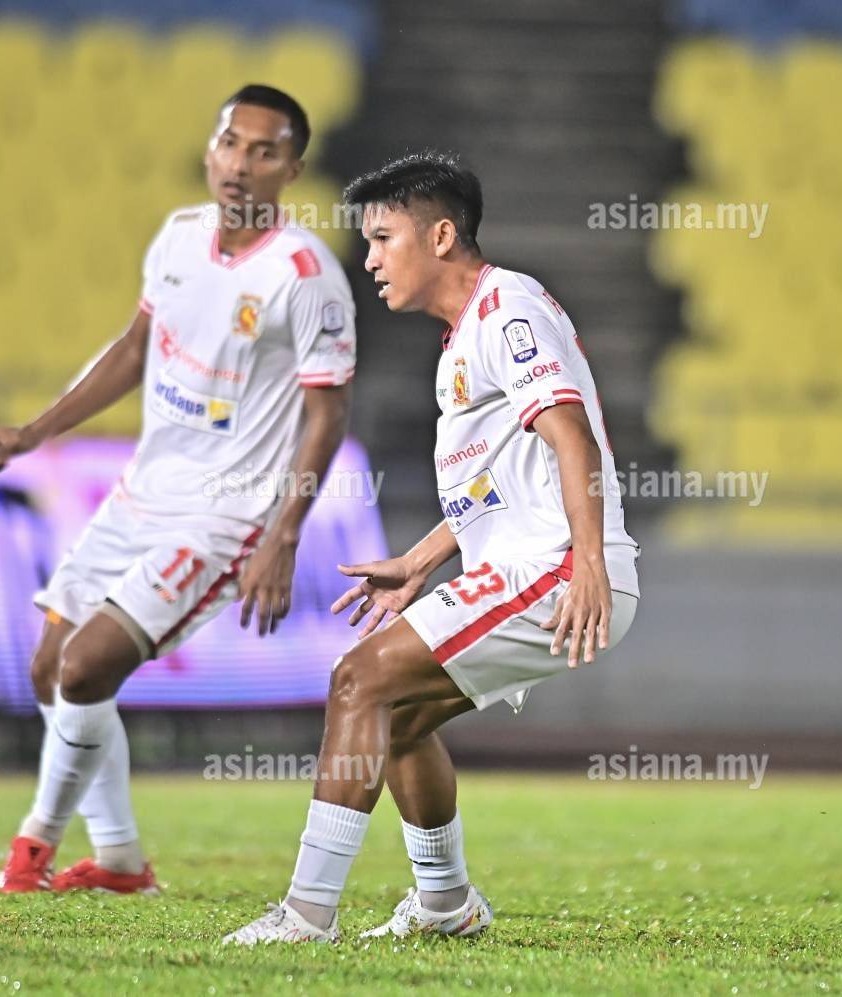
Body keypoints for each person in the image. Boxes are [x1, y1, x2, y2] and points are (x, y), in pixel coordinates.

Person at [224, 152, 641, 944]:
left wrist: (587, 562)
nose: (370, 259)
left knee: (358, 679)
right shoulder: (463, 337)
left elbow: (573, 438)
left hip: (558, 565)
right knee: (399, 715)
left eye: (383, 238)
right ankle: (447, 902)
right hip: (537, 561)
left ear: (441, 236)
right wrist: (421, 558)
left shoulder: (508, 309)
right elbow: (503, 481)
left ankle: (307, 913)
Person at [0, 85, 357, 895]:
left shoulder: (306, 276)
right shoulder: (180, 235)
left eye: (264, 151)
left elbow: (327, 417)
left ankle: (33, 843)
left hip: (226, 515)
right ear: (211, 150)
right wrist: (34, 433)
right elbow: (132, 349)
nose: (241, 163)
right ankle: (120, 861)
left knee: (85, 668)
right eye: (231, 143)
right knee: (50, 669)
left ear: (291, 169)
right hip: (141, 494)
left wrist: (284, 535)